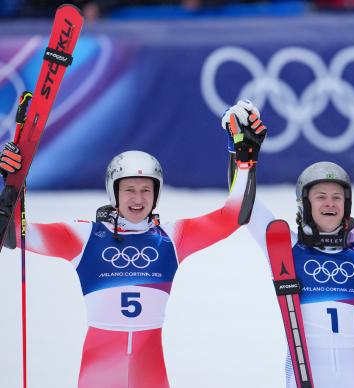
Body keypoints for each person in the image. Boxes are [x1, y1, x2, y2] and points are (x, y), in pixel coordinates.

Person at [0, 115, 266, 387]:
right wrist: (10, 185)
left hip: (149, 372)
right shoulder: (86, 236)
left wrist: (244, 160)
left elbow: (233, 215)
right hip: (99, 372)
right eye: (129, 189)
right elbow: (14, 236)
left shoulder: (172, 238)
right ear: (113, 191)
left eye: (145, 190)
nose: (138, 199)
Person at [221, 100, 354, 388]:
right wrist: (239, 157)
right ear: (304, 204)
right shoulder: (283, 245)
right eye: (320, 196)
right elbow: (243, 208)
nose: (330, 203)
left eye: (337, 197)